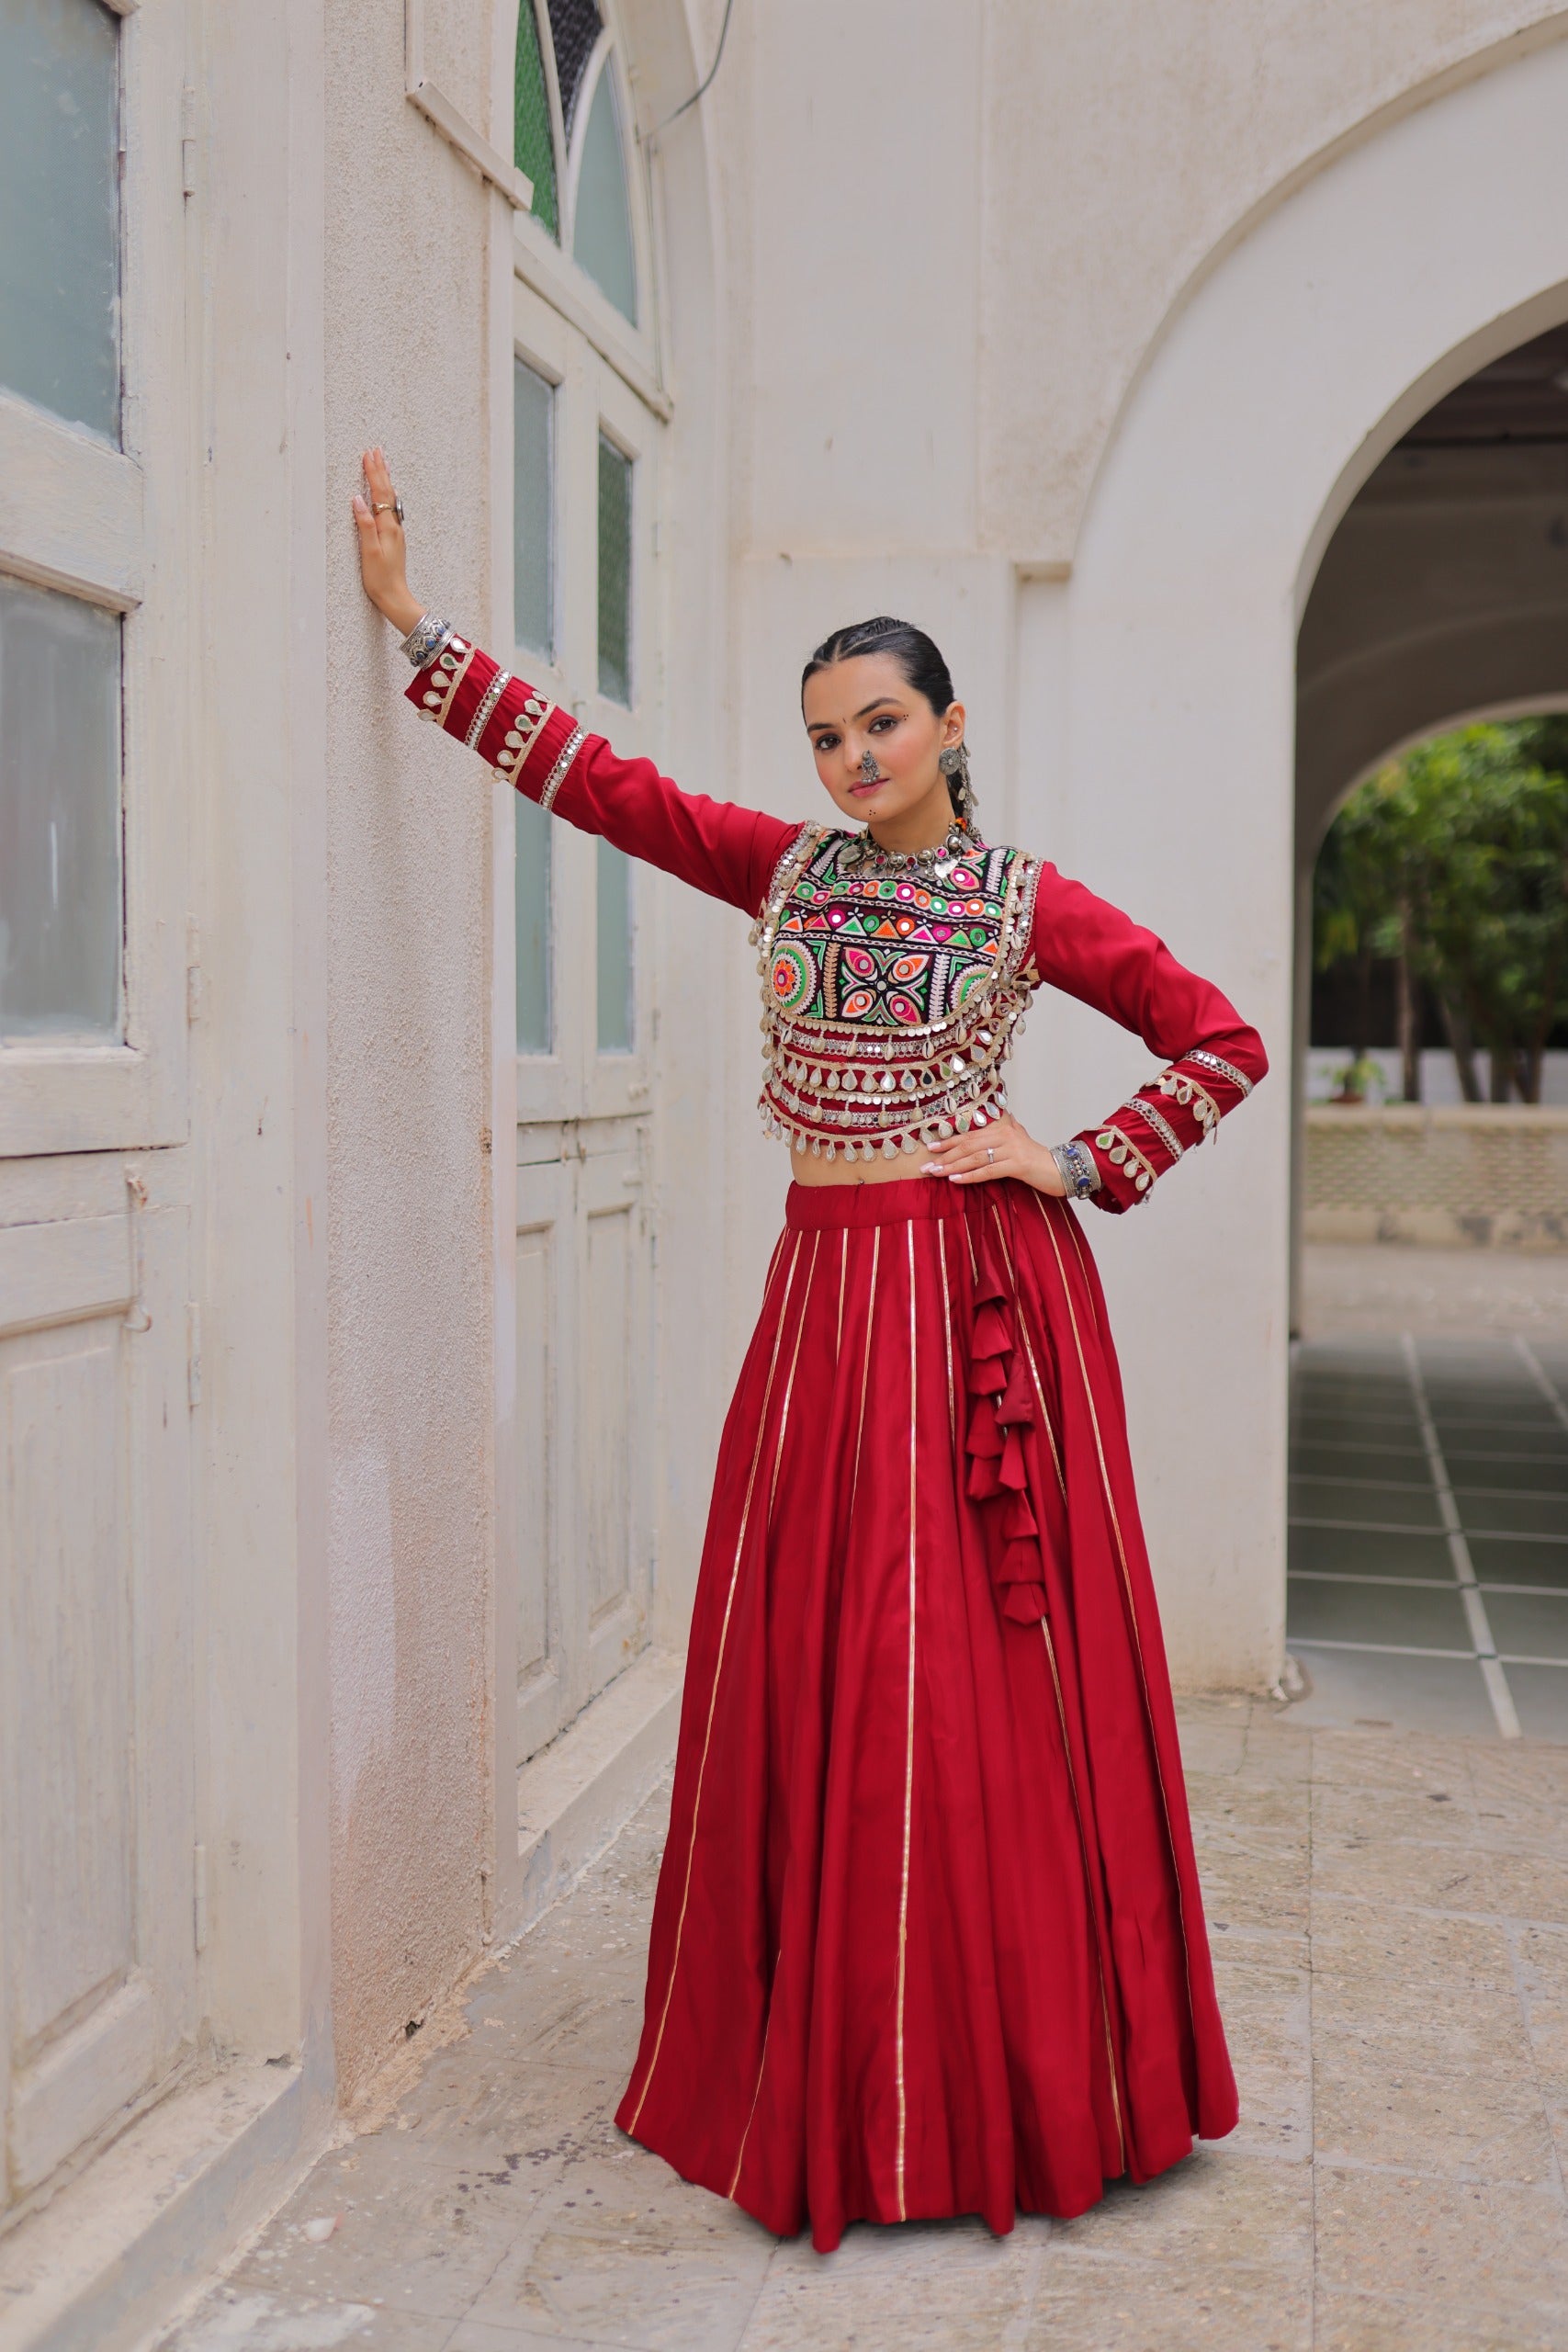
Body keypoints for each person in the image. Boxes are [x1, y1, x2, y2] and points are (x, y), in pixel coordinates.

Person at [354, 448, 1267, 2254]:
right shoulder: (782, 870)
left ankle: (981, 2080)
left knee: (953, 1675)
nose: (851, 760)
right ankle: (831, 2050)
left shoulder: (1022, 902)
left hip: (963, 1299)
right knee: (820, 1659)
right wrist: (415, 629)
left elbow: (1218, 1038)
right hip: (817, 1302)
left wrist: (1072, 1155)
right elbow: (601, 789)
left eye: (879, 724)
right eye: (825, 735)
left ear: (942, 723)